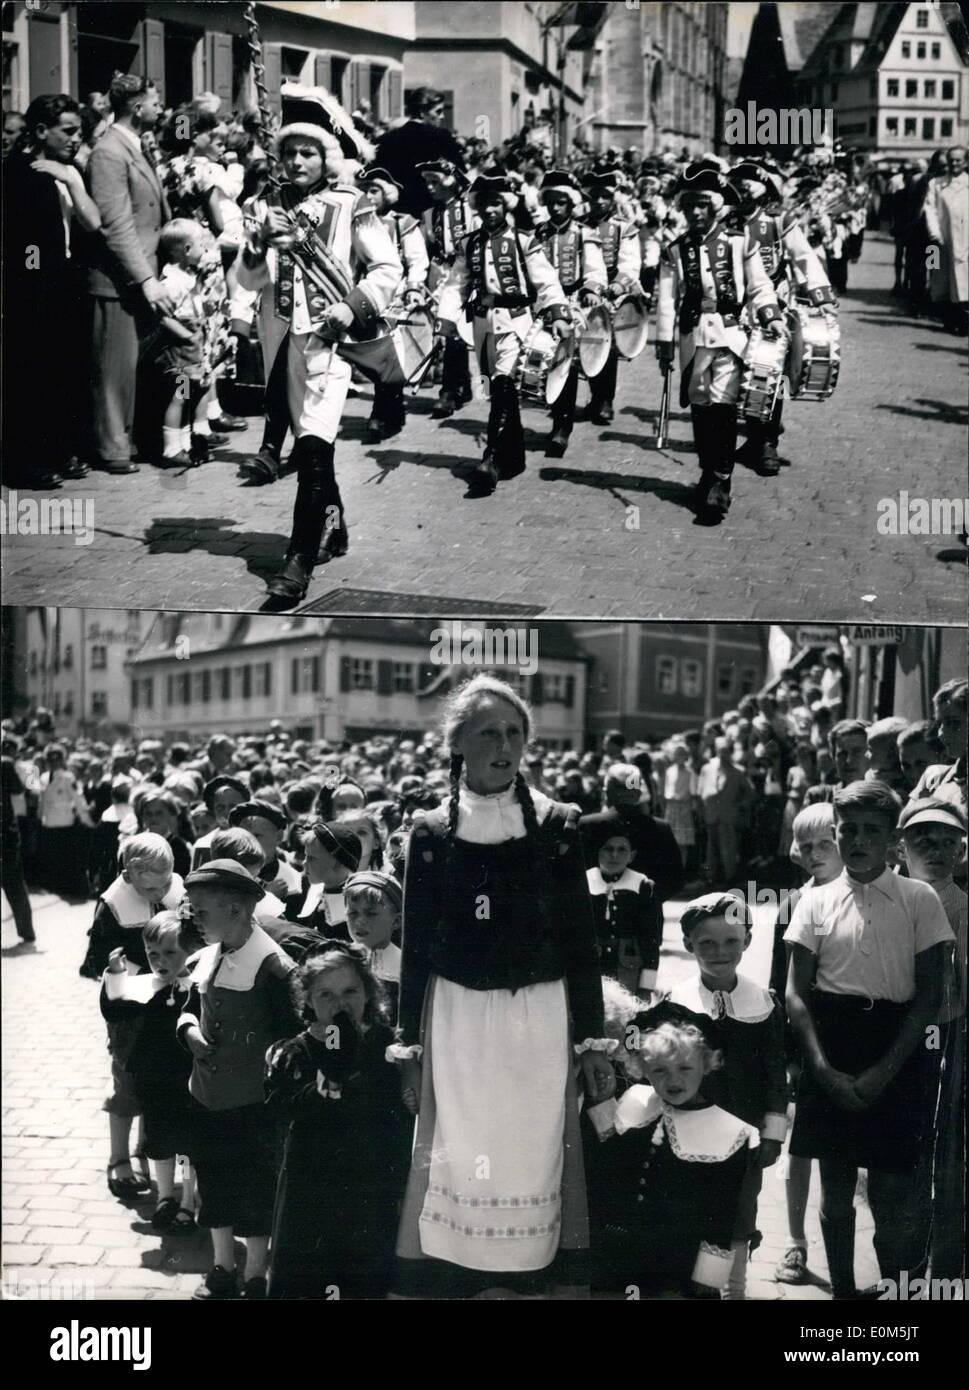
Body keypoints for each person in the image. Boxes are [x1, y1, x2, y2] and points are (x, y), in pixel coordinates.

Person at [390, 674, 612, 1298]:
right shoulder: (430, 833)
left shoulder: (560, 825)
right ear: (458, 743)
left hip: (538, 1017)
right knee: (463, 1143)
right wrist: (408, 1044)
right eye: (489, 732)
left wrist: (592, 1038)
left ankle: (527, 1268)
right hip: (458, 1017)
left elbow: (580, 941)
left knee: (529, 1143)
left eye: (515, 732)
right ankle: (461, 1269)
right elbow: (415, 950)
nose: (505, 744)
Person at [784, 781, 953, 1298]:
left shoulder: (919, 899)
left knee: (890, 1188)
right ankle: (843, 1291)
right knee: (834, 1186)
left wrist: (885, 1070)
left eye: (871, 831)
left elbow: (928, 998)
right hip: (831, 1043)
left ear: (894, 841)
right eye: (848, 829)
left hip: (896, 1046)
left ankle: (894, 1289)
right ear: (835, 832)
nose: (857, 840)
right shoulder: (815, 900)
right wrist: (822, 1070)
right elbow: (795, 994)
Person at [238, 110, 402, 606]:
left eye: (307, 152)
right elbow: (249, 281)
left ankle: (298, 560)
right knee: (311, 442)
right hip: (282, 342)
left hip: (328, 345)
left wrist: (351, 308)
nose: (296, 161)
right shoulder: (267, 204)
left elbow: (387, 267)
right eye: (288, 152)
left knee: (313, 448)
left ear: (327, 157)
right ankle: (334, 525)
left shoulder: (351, 205)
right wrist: (255, 247)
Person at [178, 860, 301, 1300]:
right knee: (213, 1181)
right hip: (208, 1096)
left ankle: (253, 1273)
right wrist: (189, 1030)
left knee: (255, 1186)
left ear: (235, 911)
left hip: (253, 1102)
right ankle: (220, 1267)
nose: (193, 917)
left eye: (202, 910)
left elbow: (293, 1033)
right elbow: (191, 1005)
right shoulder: (210, 954)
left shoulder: (271, 967)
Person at [265, 941, 411, 1298]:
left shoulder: (385, 1045)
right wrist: (327, 1084)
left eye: (350, 991)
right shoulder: (293, 1052)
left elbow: (395, 1113)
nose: (340, 1003)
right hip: (312, 1183)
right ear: (309, 1001)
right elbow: (279, 1105)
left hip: (368, 1180)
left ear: (368, 992)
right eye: (326, 994)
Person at [591, 1001, 760, 1297]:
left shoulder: (730, 1132)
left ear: (707, 1065)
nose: (673, 1080)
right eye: (659, 1070)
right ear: (644, 1070)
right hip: (623, 1257)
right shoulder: (637, 1102)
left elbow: (723, 1213)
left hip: (677, 1264)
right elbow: (610, 1159)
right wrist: (605, 1100)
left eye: (684, 1067)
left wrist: (707, 1279)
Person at [668, 893, 787, 1298]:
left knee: (738, 1215)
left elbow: (775, 1073)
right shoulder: (676, 1003)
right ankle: (697, 1288)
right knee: (693, 1212)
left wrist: (772, 1134)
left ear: (747, 942)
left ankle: (734, 1288)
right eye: (707, 943)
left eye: (731, 942)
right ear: (689, 946)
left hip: (744, 1135)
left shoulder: (765, 1004)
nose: (720, 952)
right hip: (689, 1132)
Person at [655, 160, 785, 521]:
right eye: (688, 206)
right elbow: (666, 299)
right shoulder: (674, 249)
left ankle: (720, 482)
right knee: (699, 405)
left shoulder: (740, 242)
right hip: (691, 337)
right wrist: (663, 341)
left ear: (714, 207)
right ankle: (707, 469)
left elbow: (759, 286)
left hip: (730, 335)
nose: (695, 213)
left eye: (702, 205)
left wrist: (770, 314)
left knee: (723, 405)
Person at [435, 170, 571, 496]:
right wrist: (445, 322)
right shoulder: (469, 244)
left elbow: (546, 280)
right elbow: (456, 284)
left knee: (504, 381)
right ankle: (514, 455)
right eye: (484, 204)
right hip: (482, 324)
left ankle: (492, 459)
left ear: (506, 205)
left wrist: (558, 312)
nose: (490, 210)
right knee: (495, 389)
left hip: (517, 321)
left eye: (496, 203)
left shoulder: (524, 241)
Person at [2, 94, 100, 488]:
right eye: (68, 131)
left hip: (64, 284)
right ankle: (23, 462)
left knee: (64, 371)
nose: (76, 139)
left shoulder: (70, 169)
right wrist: (31, 277)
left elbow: (92, 223)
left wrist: (72, 179)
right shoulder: (17, 171)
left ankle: (58, 450)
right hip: (32, 287)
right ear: (42, 131)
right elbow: (18, 238)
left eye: (79, 131)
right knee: (29, 375)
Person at [79, 833, 183, 1201]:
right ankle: (119, 1156)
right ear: (129, 876)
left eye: (165, 885)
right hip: (131, 1007)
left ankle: (145, 1152)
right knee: (127, 1079)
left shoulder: (175, 890)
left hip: (169, 1002)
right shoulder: (113, 906)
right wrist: (133, 969)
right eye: (150, 888)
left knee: (161, 1081)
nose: (159, 895)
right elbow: (96, 960)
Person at [770, 803, 844, 1287]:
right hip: (804, 1036)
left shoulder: (862, 895)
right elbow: (780, 983)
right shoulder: (793, 903)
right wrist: (788, 1053)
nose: (815, 854)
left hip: (851, 1035)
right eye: (807, 846)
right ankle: (795, 1244)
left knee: (845, 1150)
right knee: (800, 1145)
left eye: (826, 844)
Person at [85, 74, 173, 475]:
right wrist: (147, 278)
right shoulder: (109, 152)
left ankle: (134, 439)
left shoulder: (134, 146)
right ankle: (113, 447)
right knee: (115, 370)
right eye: (155, 103)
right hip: (120, 279)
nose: (161, 109)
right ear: (138, 107)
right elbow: (116, 224)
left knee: (137, 365)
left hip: (143, 273)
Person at [728, 157, 837, 476]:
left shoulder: (778, 220)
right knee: (740, 375)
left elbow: (804, 257)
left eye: (748, 186)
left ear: (762, 192)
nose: (742, 192)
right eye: (737, 186)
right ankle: (753, 438)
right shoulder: (725, 223)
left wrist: (821, 294)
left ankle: (766, 444)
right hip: (735, 309)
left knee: (769, 373)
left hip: (773, 306)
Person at [896, 798, 966, 1280]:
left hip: (945, 1038)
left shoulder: (961, 906)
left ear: (963, 851)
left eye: (949, 842)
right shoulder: (889, 898)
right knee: (897, 1151)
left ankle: (940, 1269)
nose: (936, 850)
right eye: (924, 840)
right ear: (901, 848)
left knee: (941, 1149)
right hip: (890, 1032)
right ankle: (899, 1263)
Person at [99, 910, 201, 1234]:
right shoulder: (148, 985)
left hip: (188, 1080)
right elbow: (114, 1008)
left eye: (170, 953)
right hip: (155, 1080)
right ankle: (165, 1196)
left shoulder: (198, 987)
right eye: (153, 954)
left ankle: (187, 1200)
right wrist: (115, 975)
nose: (160, 961)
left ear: (192, 949)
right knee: (159, 1141)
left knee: (187, 1143)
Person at [531, 169, 608, 458]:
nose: (556, 207)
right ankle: (555, 415)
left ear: (572, 203)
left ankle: (562, 429)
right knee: (545, 360)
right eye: (551, 201)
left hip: (573, 301)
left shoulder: (584, 233)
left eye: (562, 201)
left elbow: (595, 268)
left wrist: (591, 287)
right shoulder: (537, 233)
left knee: (567, 362)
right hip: (543, 304)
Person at [356, 165, 429, 442]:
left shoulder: (402, 222)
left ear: (387, 194)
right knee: (373, 353)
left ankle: (382, 412)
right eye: (363, 191)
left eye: (373, 190)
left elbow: (417, 259)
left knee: (391, 353)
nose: (368, 196)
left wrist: (413, 287)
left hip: (396, 296)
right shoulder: (358, 221)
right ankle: (391, 409)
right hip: (365, 295)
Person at [581, 169, 643, 425]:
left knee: (607, 347)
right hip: (584, 291)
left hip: (613, 293)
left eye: (604, 197)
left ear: (612, 199)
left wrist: (619, 284)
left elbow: (630, 263)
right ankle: (590, 397)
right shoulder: (579, 226)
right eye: (594, 197)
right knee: (584, 345)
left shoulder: (623, 228)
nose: (599, 202)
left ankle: (604, 400)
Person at [418, 157, 478, 419]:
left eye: (435, 182)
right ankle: (453, 389)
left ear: (451, 183)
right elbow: (425, 249)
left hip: (470, 276)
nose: (430, 188)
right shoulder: (430, 215)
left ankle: (455, 388)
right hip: (442, 276)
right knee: (448, 331)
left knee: (460, 333)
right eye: (428, 183)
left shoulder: (471, 212)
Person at [580, 762, 685, 907]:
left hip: (596, 913)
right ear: (638, 795)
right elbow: (676, 879)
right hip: (645, 917)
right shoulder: (660, 828)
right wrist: (648, 902)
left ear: (607, 792)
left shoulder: (587, 825)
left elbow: (575, 874)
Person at [586, 832, 659, 997]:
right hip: (591, 966)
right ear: (597, 851)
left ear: (631, 856)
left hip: (628, 967)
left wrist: (646, 987)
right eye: (608, 849)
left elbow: (651, 939)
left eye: (622, 850)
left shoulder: (642, 884)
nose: (614, 855)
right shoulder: (585, 882)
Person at [374, 87, 465, 218]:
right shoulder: (442, 138)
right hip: (434, 215)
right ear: (422, 112)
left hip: (398, 217)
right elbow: (460, 177)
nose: (442, 116)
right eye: (438, 111)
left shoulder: (385, 140)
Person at [696, 738, 754, 886]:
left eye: (726, 751)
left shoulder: (738, 771)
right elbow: (700, 791)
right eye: (720, 751)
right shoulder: (707, 769)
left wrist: (740, 805)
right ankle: (711, 878)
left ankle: (730, 879)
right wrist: (701, 809)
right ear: (716, 751)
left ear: (731, 752)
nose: (723, 755)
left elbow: (750, 793)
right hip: (710, 814)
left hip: (728, 815)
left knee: (728, 848)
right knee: (711, 848)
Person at [343, 870, 403, 1012]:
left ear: (396, 921)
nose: (360, 921)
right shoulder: (337, 960)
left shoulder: (403, 969)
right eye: (353, 913)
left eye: (371, 914)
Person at [924, 146, 968, 335]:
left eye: (958, 160)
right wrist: (935, 233)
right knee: (939, 277)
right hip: (939, 241)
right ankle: (947, 319)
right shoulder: (936, 184)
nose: (954, 163)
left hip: (965, 239)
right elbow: (930, 209)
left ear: (966, 162)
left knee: (964, 279)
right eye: (951, 160)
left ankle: (964, 322)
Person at [293, 821, 362, 938]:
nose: (304, 862)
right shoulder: (308, 888)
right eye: (306, 856)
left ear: (337, 863)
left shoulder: (356, 904)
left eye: (312, 858)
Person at [229, 799, 302, 910]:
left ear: (279, 837)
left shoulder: (294, 880)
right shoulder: (228, 876)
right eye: (244, 836)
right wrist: (267, 897)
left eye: (257, 836)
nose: (249, 843)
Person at [1, 750, 36, 947]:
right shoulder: (7, 764)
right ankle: (27, 931)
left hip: (7, 831)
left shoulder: (27, 766)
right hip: (7, 831)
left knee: (14, 882)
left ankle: (27, 931)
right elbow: (19, 790)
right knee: (14, 882)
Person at [805, 718, 869, 805]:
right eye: (842, 754)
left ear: (870, 754)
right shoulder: (819, 798)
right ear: (833, 758)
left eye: (856, 752)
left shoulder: (882, 802)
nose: (848, 760)